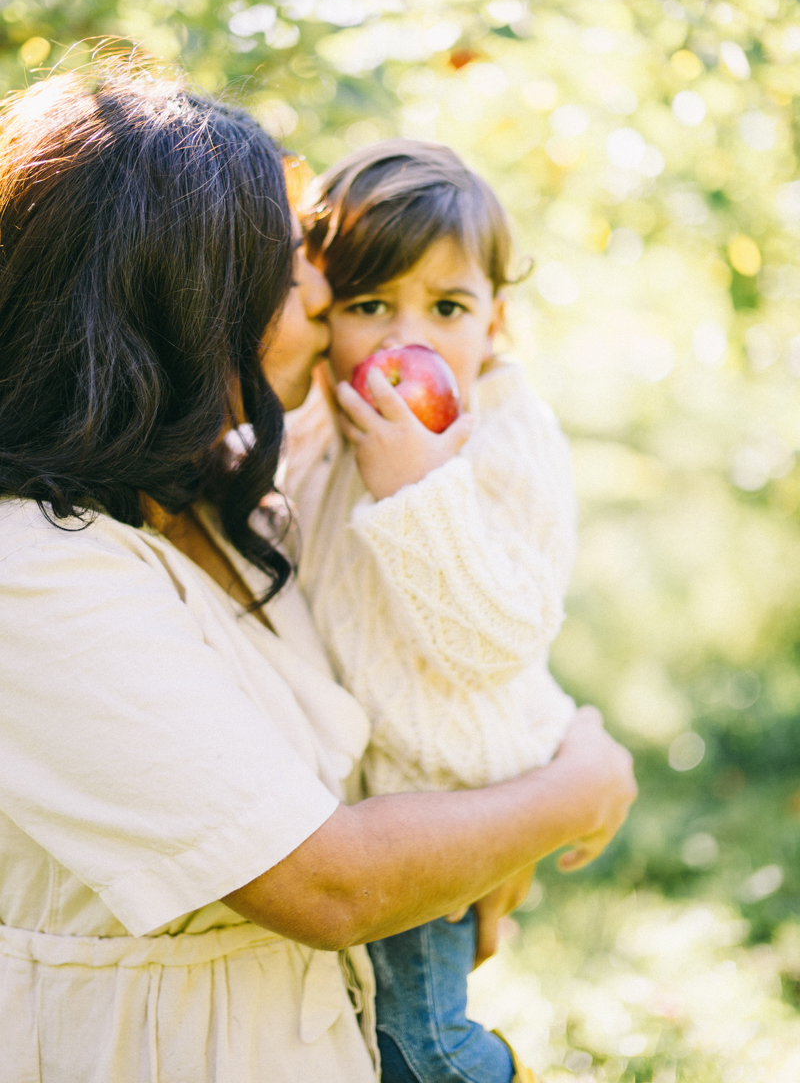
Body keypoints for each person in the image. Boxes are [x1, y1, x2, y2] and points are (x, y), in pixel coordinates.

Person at [0, 64, 636, 1083]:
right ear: (184, 297)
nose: (323, 291)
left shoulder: (215, 495)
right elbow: (326, 879)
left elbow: (428, 660)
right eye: (293, 260)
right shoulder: (30, 563)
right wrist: (576, 790)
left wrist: (474, 837)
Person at [285, 140, 586, 1083]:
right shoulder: (323, 425)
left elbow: (500, 635)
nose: (402, 341)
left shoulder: (502, 436)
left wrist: (420, 493)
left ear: (496, 322)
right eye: (371, 306)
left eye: (446, 308)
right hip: (355, 818)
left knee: (420, 1052)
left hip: (441, 809)